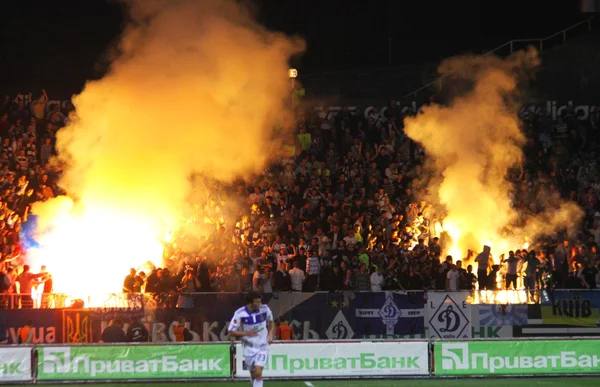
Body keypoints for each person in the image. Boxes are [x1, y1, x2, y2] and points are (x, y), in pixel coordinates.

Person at [228, 291, 274, 387]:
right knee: (254, 374)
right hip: (248, 347)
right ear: (250, 303)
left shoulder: (264, 309)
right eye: (257, 302)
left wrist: (270, 334)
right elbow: (231, 331)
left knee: (258, 372)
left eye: (260, 301)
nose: (259, 304)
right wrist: (246, 333)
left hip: (262, 345)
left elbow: (271, 321)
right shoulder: (240, 313)